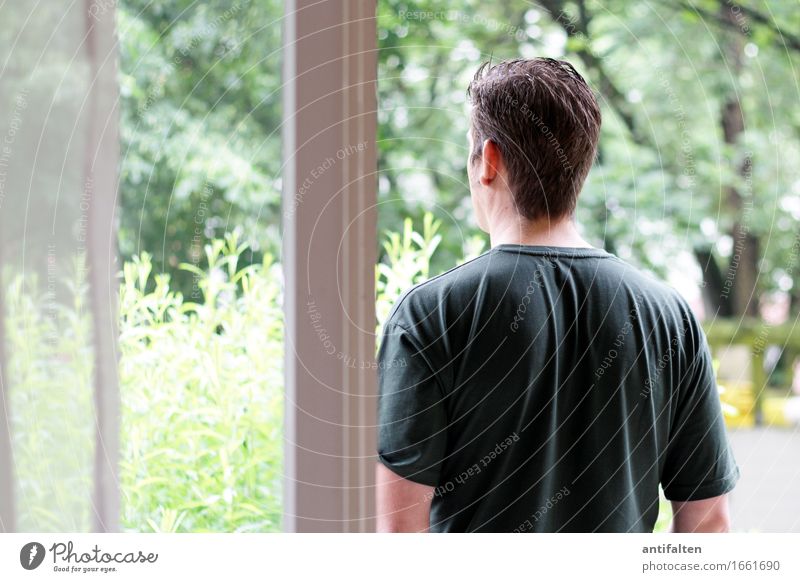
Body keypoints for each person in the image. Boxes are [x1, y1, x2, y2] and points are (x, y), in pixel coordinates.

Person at [375, 58, 739, 533]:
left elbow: (400, 537)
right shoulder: (669, 316)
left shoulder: (431, 315)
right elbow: (708, 527)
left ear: (489, 160)